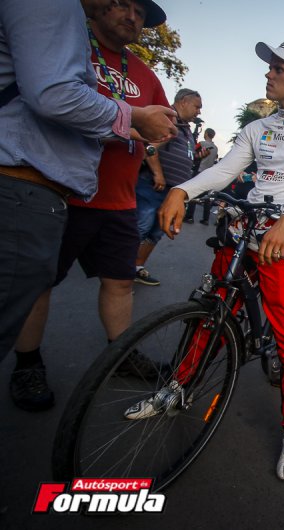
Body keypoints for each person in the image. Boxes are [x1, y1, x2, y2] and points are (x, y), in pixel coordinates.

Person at [154, 39, 284, 481]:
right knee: (210, 314)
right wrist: (182, 190)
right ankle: (176, 388)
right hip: (245, 229)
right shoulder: (258, 128)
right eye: (269, 67)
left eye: (278, 68)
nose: (268, 74)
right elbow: (224, 171)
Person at [9, 0, 172, 411]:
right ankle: (27, 363)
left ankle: (120, 353)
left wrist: (152, 135)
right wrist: (126, 124)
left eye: (140, 12)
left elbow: (161, 125)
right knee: (38, 283)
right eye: (122, 4)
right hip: (63, 193)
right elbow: (53, 99)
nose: (131, 16)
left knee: (120, 281)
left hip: (120, 201)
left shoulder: (146, 74)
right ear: (96, 8)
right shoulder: (69, 45)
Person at [134, 88, 204, 286]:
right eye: (197, 106)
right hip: (153, 187)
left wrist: (197, 157)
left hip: (171, 191)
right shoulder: (168, 120)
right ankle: (119, 274)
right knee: (140, 228)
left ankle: (136, 268)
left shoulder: (186, 128)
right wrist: (157, 173)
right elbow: (150, 147)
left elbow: (182, 154)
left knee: (156, 232)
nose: (199, 111)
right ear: (183, 101)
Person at [184, 127, 218, 225]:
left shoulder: (202, 143)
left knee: (193, 193)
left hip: (199, 171)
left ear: (206, 134)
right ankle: (206, 219)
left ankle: (189, 217)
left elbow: (191, 151)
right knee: (207, 196)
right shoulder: (216, 148)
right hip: (209, 174)